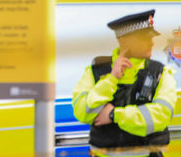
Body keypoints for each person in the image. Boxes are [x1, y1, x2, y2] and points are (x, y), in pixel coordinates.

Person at [72, 10, 176, 153]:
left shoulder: (161, 73)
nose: (152, 43)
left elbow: (160, 116)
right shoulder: (94, 72)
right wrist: (112, 79)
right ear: (124, 41)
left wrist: (114, 114)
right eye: (145, 39)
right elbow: (82, 112)